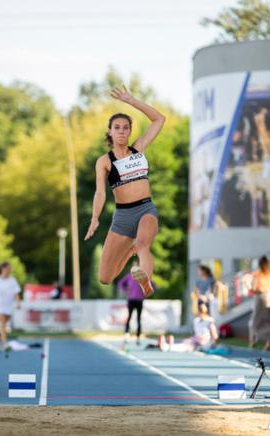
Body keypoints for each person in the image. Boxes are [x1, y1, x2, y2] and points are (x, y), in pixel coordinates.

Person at [84, 86, 165, 297]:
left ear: (130, 131)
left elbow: (159, 119)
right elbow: (100, 193)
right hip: (122, 216)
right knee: (105, 277)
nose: (121, 131)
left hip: (146, 209)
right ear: (110, 131)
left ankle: (145, 284)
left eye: (126, 127)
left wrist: (131, 100)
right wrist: (94, 219)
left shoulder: (139, 148)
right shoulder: (104, 161)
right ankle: (130, 252)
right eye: (117, 127)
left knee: (143, 244)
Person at [0, 262, 21, 352]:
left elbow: (16, 293)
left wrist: (18, 302)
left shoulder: (12, 280)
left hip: (8, 306)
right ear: (2, 269)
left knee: (3, 326)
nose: (9, 271)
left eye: (10, 269)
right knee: (2, 323)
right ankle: (5, 344)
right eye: (7, 269)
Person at [250, 256, 270, 351]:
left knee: (256, 320)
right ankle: (268, 343)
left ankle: (254, 339)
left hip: (260, 296)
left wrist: (251, 288)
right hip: (269, 296)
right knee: (269, 320)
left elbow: (254, 287)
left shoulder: (258, 274)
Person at [118, 260, 146, 344]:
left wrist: (146, 293)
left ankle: (138, 337)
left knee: (138, 319)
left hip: (139, 300)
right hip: (131, 300)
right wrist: (125, 290)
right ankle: (126, 334)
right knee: (129, 317)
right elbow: (120, 283)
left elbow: (149, 285)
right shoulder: (129, 276)